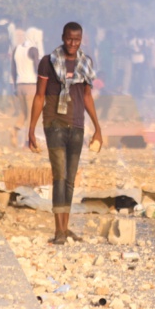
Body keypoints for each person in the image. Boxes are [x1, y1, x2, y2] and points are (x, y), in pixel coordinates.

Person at [28, 22, 102, 245]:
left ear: (82, 39)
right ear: (62, 37)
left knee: (69, 179)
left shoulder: (85, 62)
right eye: (69, 39)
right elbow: (39, 96)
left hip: (77, 125)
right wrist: (31, 129)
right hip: (54, 124)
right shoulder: (48, 62)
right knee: (59, 176)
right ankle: (58, 230)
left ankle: (65, 227)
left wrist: (98, 128)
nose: (72, 43)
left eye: (77, 39)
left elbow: (87, 97)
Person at [11, 27, 42, 147]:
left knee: (24, 113)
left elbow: (13, 70)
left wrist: (14, 86)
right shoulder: (34, 50)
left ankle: (14, 130)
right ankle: (27, 141)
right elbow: (37, 68)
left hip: (19, 85)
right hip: (31, 86)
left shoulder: (16, 49)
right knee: (31, 115)